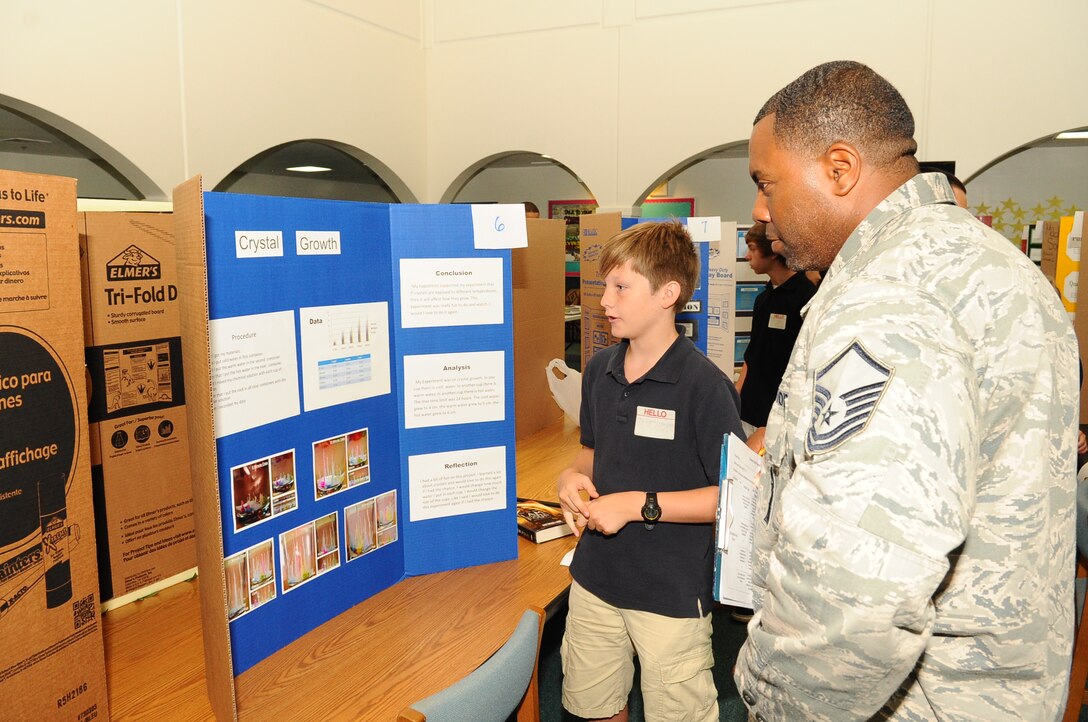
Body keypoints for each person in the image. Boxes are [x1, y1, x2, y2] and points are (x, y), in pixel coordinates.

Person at [734, 60, 1079, 721]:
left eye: (765, 182)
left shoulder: (890, 298)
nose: (758, 209)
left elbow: (857, 586)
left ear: (839, 168)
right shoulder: (984, 260)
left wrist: (777, 704)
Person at [556, 219, 742, 722]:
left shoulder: (705, 386)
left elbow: (731, 500)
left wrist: (640, 505)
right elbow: (589, 453)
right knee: (593, 707)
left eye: (621, 287)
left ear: (668, 294)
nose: (605, 302)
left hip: (671, 594)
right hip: (595, 579)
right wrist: (570, 480)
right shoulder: (599, 370)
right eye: (606, 286)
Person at [735, 221, 816, 455]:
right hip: (749, 410)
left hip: (779, 415)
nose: (747, 256)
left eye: (751, 248)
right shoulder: (764, 298)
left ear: (772, 250)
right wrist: (736, 394)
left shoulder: (806, 299)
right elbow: (753, 352)